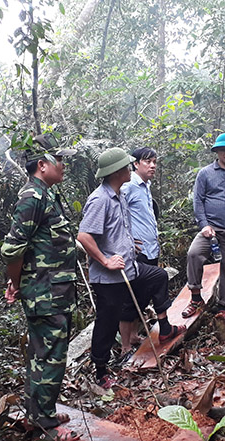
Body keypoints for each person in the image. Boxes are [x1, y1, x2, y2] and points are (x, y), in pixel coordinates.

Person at [77, 147, 185, 388]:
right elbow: (84, 236)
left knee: (158, 276)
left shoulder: (120, 195)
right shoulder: (100, 199)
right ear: (116, 172)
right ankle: (101, 370)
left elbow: (116, 230)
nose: (130, 168)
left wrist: (128, 244)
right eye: (127, 166)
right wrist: (105, 260)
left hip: (130, 268)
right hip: (108, 278)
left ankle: (165, 327)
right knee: (107, 320)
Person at [0, 134, 80, 441]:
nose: (64, 165)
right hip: (46, 294)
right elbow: (13, 249)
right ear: (42, 165)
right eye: (60, 160)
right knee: (50, 355)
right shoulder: (32, 198)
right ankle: (43, 418)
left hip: (55, 291)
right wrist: (15, 282)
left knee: (43, 354)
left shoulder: (46, 195)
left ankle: (39, 414)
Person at [181, 132, 225, 322]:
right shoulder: (205, 173)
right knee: (194, 254)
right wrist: (204, 225)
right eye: (224, 150)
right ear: (217, 151)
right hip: (210, 230)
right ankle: (196, 299)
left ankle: (224, 306)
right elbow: (198, 201)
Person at [119, 147, 160, 359]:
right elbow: (116, 212)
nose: (152, 165)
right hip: (136, 252)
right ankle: (125, 346)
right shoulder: (128, 186)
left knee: (143, 295)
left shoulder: (145, 186)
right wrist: (125, 240)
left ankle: (134, 335)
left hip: (150, 248)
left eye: (154, 161)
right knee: (130, 297)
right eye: (147, 162)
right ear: (136, 164)